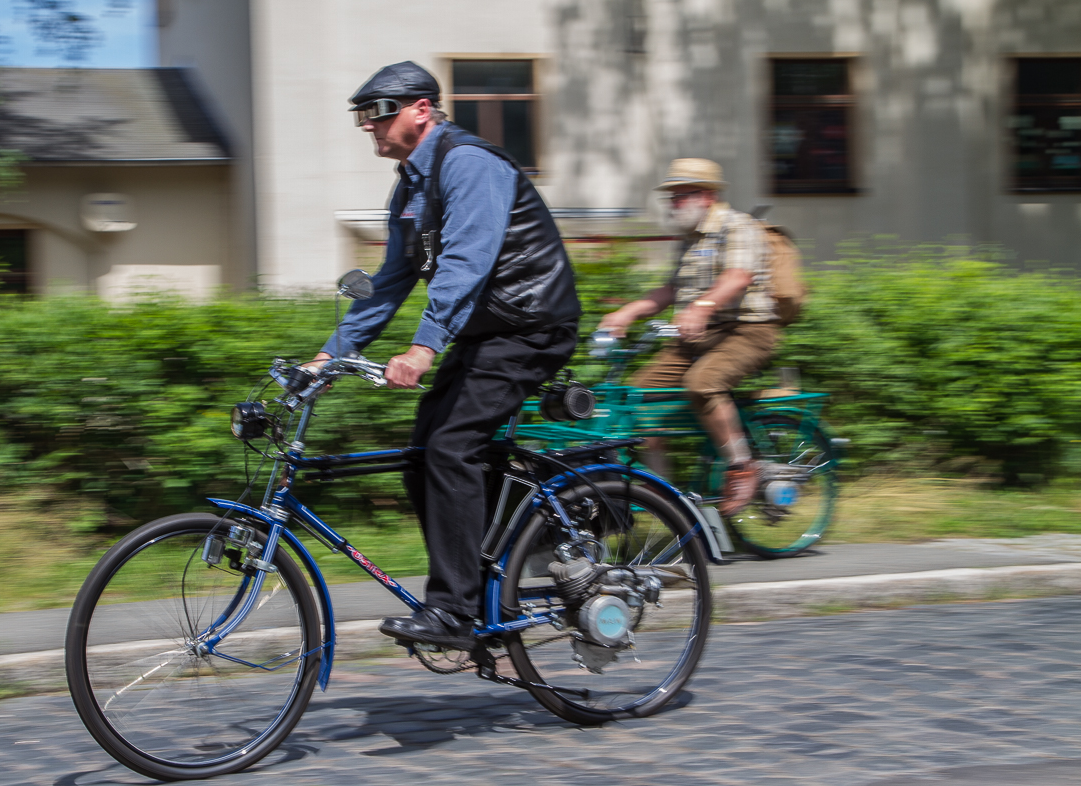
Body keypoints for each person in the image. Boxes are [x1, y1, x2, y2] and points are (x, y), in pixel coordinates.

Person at [309, 61, 581, 650]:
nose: (370, 126)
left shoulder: (469, 163)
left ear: (423, 109)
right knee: (423, 451)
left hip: (532, 324)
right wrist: (327, 359)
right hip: (490, 334)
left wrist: (423, 346)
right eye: (363, 116)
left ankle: (454, 611)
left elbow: (466, 262)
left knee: (453, 445)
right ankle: (487, 580)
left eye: (380, 112)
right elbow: (390, 281)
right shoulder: (411, 184)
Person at [598, 158, 779, 517]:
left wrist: (702, 307)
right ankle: (659, 490)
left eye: (683, 194)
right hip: (699, 334)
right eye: (673, 196)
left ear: (708, 196)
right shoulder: (690, 238)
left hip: (747, 330)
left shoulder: (737, 226)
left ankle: (742, 466)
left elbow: (738, 276)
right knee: (637, 395)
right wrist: (627, 312)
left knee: (703, 383)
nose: (674, 202)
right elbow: (671, 288)